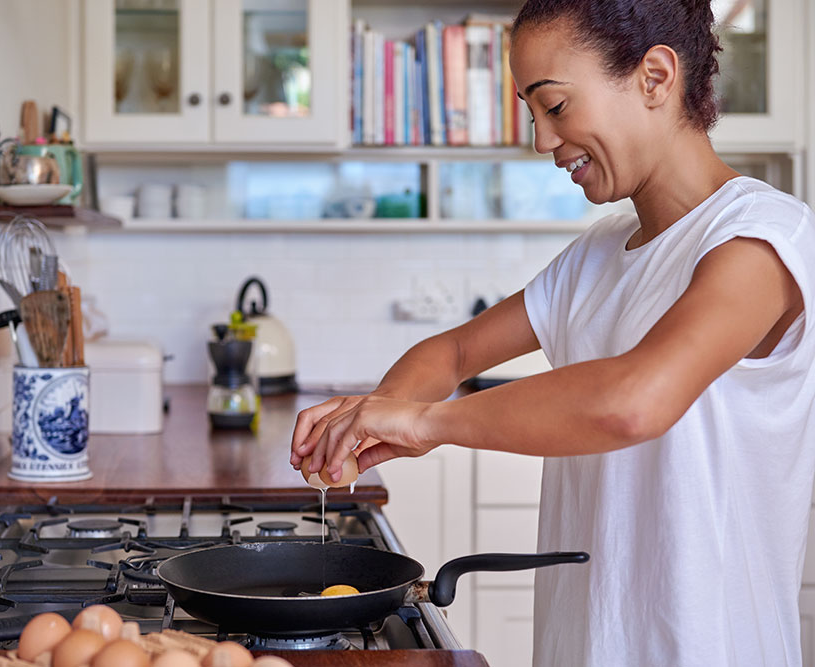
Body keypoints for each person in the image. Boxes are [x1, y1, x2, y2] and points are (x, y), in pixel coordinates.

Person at [289, 0, 815, 664]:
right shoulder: (596, 257)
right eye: (532, 112)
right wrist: (377, 414)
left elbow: (634, 400)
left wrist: (425, 422)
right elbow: (451, 350)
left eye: (556, 106)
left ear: (655, 77)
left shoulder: (765, 239)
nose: (542, 139)